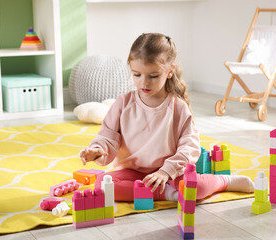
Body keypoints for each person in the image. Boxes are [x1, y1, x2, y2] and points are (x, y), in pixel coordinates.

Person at [80, 33, 254, 202]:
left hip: (170, 173)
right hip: (132, 173)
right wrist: (97, 150)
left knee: (196, 187)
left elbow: (189, 146)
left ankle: (225, 181)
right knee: (103, 185)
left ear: (170, 71)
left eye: (153, 76)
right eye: (137, 74)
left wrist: (166, 171)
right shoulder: (123, 103)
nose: (144, 83)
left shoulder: (177, 107)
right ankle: (165, 194)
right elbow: (107, 137)